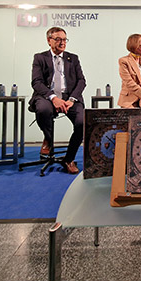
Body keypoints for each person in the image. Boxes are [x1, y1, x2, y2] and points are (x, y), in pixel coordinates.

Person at [29, 26, 86, 174]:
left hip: (70, 98)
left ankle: (69, 159)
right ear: (49, 40)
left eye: (64, 39)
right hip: (47, 97)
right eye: (58, 39)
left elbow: (81, 81)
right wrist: (53, 98)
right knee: (43, 109)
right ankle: (48, 139)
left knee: (82, 122)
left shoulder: (73, 58)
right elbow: (37, 82)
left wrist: (72, 99)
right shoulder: (40, 58)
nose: (62, 43)